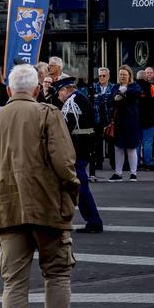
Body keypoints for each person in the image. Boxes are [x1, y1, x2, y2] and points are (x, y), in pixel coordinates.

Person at [0, 63, 78, 308]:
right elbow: (65, 165)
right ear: (37, 89)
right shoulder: (48, 113)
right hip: (48, 208)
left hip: (6, 210)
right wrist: (70, 199)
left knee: (14, 283)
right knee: (57, 275)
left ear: (8, 90)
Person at [54, 77, 103, 233]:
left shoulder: (72, 102)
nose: (58, 97)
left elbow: (65, 128)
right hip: (82, 148)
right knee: (75, 185)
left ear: (65, 90)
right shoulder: (79, 98)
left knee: (80, 186)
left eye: (59, 93)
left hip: (76, 150)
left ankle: (94, 221)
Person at [108, 65, 141, 182]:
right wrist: (116, 97)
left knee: (131, 148)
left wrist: (124, 92)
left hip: (131, 121)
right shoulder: (115, 87)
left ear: (129, 76)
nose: (122, 76)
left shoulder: (134, 86)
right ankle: (118, 173)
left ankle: (133, 173)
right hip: (118, 122)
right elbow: (111, 99)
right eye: (121, 74)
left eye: (124, 74)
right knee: (118, 148)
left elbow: (137, 93)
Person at [90, 67, 117, 179]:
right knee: (98, 142)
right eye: (100, 76)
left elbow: (112, 101)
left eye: (103, 76)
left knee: (111, 142)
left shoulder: (113, 87)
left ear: (108, 76)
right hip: (97, 119)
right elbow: (94, 101)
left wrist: (101, 98)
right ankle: (99, 161)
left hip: (109, 118)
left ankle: (113, 161)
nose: (101, 78)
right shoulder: (94, 87)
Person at [137, 69, 154, 170]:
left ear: (137, 77)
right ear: (146, 77)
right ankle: (148, 162)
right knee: (147, 142)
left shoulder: (133, 87)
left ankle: (137, 162)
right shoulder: (152, 88)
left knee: (137, 143)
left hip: (136, 120)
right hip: (149, 120)